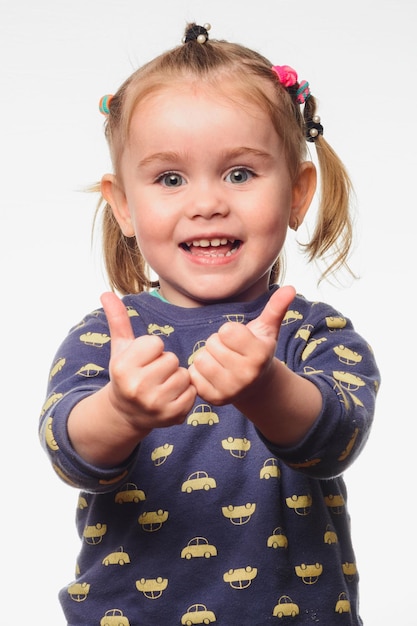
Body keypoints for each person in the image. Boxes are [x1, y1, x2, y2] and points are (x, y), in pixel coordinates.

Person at [39, 22, 380, 626]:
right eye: (170, 179)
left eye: (240, 174)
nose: (207, 203)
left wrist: (267, 389)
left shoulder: (314, 334)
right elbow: (67, 451)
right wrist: (121, 411)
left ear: (298, 193)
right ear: (123, 205)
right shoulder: (107, 337)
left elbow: (338, 438)